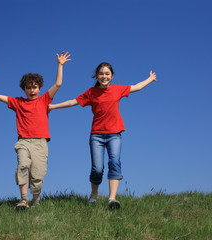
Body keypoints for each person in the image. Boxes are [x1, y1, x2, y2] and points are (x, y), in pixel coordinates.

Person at [49, 62, 156, 209]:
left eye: (107, 74)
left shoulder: (118, 89)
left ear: (112, 76)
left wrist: (150, 79)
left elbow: (136, 87)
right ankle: (94, 193)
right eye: (101, 74)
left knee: (115, 162)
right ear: (97, 76)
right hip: (97, 136)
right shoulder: (91, 92)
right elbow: (73, 101)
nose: (104, 76)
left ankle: (112, 199)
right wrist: (53, 107)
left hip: (114, 134)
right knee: (97, 168)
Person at [0, 51, 71, 209]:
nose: (32, 91)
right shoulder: (18, 102)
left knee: (37, 173)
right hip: (24, 141)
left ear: (39, 88)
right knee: (22, 166)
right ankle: (23, 200)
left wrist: (60, 65)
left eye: (34, 87)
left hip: (41, 143)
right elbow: (0, 97)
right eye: (28, 88)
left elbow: (58, 84)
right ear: (24, 89)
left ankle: (35, 200)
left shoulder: (44, 100)